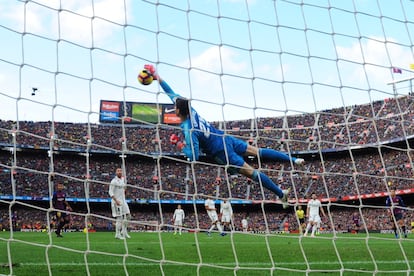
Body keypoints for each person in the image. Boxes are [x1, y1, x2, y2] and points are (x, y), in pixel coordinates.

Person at [144, 64, 304, 208]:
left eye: (175, 106)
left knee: (252, 173)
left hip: (222, 153)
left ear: (178, 111)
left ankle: (281, 195)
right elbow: (170, 92)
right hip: (224, 138)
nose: (173, 105)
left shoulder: (188, 130)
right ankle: (294, 160)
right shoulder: (191, 110)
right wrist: (157, 77)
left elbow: (193, 157)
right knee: (258, 151)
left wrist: (179, 145)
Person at [109, 167, 131, 240]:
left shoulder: (123, 179)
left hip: (123, 201)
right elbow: (110, 192)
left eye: (120, 171)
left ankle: (123, 231)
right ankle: (117, 234)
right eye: (118, 171)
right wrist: (116, 200)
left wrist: (125, 191)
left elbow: (124, 189)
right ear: (116, 172)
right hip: (117, 202)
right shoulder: (113, 181)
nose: (119, 172)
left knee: (128, 216)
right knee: (119, 218)